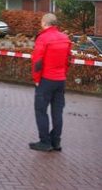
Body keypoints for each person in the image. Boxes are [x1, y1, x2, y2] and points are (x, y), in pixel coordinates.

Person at [29, 13, 71, 152]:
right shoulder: (65, 38)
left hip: (46, 80)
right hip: (60, 80)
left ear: (44, 23)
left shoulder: (43, 38)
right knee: (57, 112)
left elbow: (37, 61)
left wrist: (36, 79)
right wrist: (63, 74)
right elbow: (68, 60)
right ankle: (56, 141)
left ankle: (45, 142)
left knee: (40, 111)